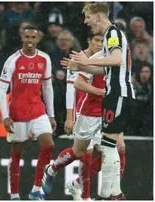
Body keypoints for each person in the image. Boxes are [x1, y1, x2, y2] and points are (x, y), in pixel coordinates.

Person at [60, 3, 134, 200]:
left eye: (88, 17)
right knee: (112, 146)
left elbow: (116, 59)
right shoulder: (113, 34)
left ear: (99, 16)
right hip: (117, 94)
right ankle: (112, 195)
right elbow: (107, 68)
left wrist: (87, 61)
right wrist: (81, 67)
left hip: (117, 93)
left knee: (110, 147)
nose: (86, 21)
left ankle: (113, 195)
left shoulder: (112, 33)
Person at [0, 25, 56, 200]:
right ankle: (14, 195)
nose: (30, 41)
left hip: (38, 110)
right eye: (27, 37)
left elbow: (47, 87)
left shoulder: (44, 59)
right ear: (22, 38)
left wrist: (51, 115)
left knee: (49, 145)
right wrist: (5, 115)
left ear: (38, 39)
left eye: (33, 37)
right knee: (17, 152)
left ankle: (36, 190)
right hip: (18, 112)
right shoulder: (12, 60)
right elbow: (1, 89)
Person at [61, 33, 105, 200]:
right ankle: (85, 197)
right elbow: (70, 89)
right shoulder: (79, 58)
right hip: (82, 112)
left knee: (106, 156)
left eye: (102, 41)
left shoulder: (105, 59)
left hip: (100, 113)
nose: (100, 44)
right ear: (89, 41)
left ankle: (76, 184)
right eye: (97, 40)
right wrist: (69, 116)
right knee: (85, 155)